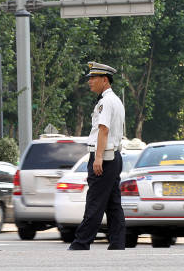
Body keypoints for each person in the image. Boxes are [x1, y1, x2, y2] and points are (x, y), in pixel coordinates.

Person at [68, 61, 126, 250]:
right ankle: (117, 243)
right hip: (113, 157)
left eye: (93, 78)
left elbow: (103, 130)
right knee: (113, 204)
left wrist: (98, 157)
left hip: (105, 158)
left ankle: (81, 242)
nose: (90, 82)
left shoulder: (105, 102)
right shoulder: (115, 100)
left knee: (95, 202)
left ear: (104, 80)